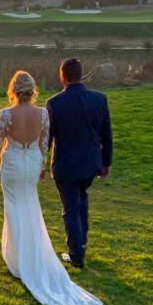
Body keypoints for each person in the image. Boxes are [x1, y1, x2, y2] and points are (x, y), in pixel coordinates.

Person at [0, 71, 102, 305]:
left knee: (14, 207)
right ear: (31, 90)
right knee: (29, 205)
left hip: (13, 163)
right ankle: (28, 256)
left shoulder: (6, 114)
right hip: (32, 165)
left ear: (13, 90)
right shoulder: (42, 114)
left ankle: (19, 260)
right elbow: (43, 144)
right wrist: (40, 167)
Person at [46, 58, 113, 269]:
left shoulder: (54, 103)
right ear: (81, 75)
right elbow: (106, 135)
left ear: (62, 77)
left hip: (65, 164)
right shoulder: (99, 99)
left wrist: (40, 161)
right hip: (90, 164)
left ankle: (76, 255)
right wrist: (106, 163)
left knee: (71, 209)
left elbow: (48, 137)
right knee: (82, 201)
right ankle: (81, 244)